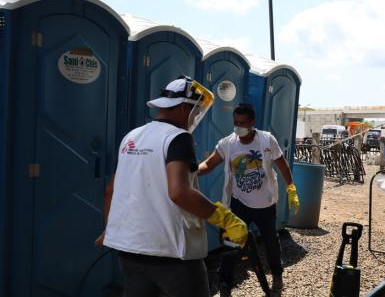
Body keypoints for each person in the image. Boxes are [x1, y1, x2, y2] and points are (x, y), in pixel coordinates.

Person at [95, 77, 248, 297]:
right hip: (170, 253)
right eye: (195, 111)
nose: (195, 117)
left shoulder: (133, 136)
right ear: (184, 108)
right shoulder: (178, 137)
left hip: (130, 251)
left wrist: (109, 229)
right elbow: (179, 192)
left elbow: (111, 190)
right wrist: (225, 219)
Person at [198, 103, 300, 294]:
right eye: (235, 122)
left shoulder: (267, 140)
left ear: (252, 122)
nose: (238, 127)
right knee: (231, 243)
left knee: (271, 242)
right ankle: (225, 282)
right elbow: (209, 164)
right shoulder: (228, 143)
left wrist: (291, 188)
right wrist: (193, 169)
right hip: (239, 203)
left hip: (265, 203)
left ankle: (277, 274)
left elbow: (282, 165)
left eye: (243, 123)